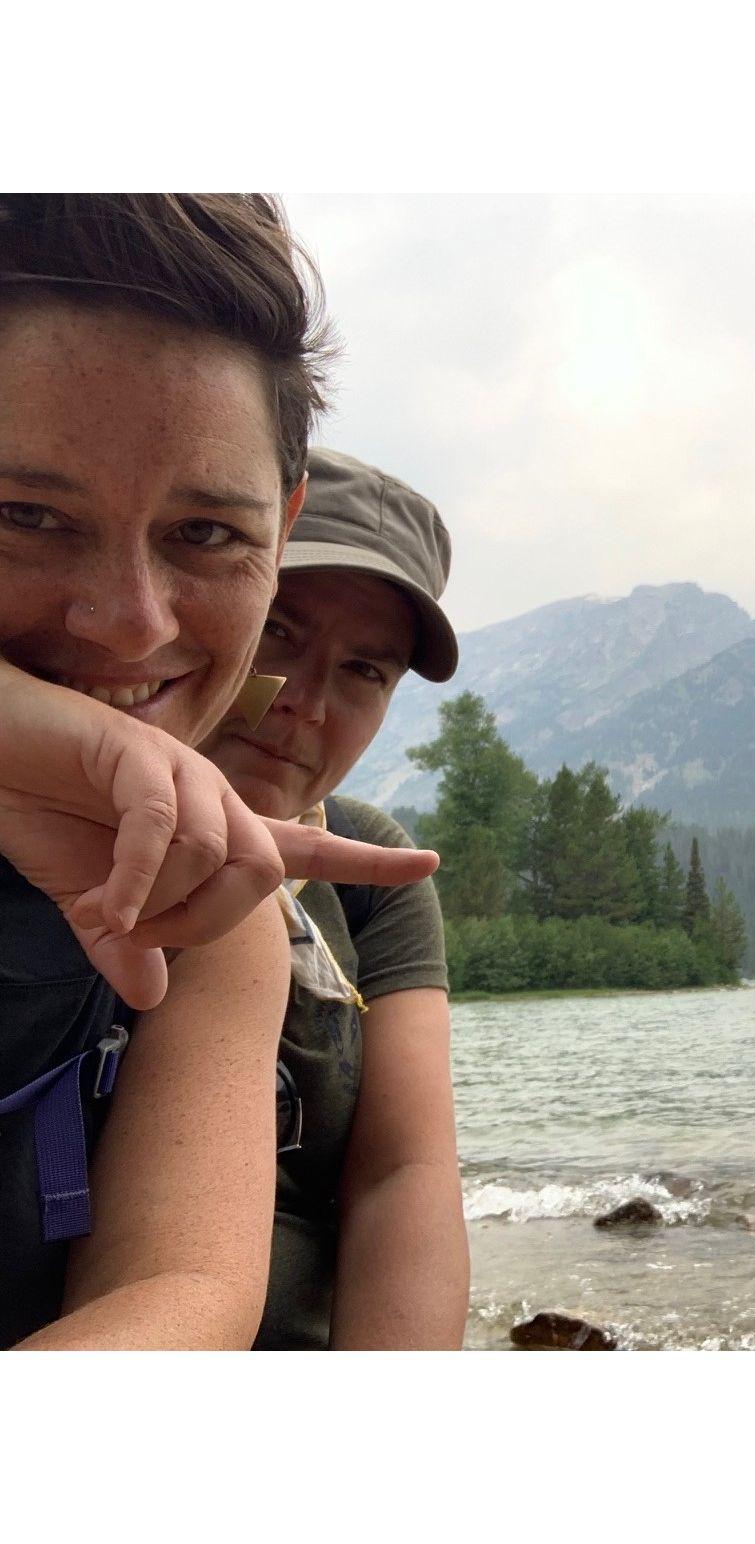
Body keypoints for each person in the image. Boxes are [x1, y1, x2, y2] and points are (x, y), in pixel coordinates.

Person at [0, 194, 435, 1348]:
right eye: (27, 513)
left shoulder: (222, 906)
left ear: (277, 529)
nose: (130, 626)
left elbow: (185, 1292)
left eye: (205, 535)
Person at [202, 448, 469, 1348]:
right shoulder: (50, 822)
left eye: (365, 671)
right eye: (279, 628)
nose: (307, 703)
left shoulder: (372, 874)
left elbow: (405, 1175)